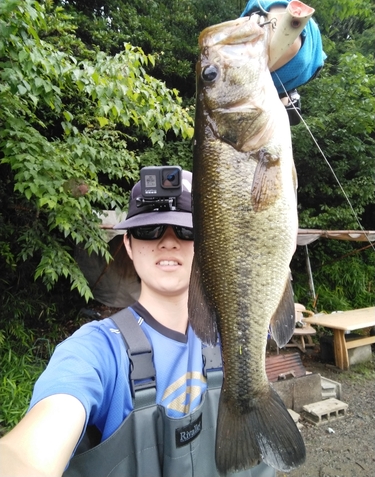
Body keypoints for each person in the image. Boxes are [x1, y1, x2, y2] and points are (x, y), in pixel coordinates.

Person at [0, 168, 275, 477]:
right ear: (128, 245)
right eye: (150, 229)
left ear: (207, 243)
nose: (168, 242)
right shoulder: (95, 350)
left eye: (186, 231)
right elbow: (31, 451)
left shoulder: (237, 330)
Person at [241, 0, 327, 125]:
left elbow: (270, 2)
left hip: (305, 56)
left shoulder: (260, 2)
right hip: (305, 68)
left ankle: (285, 99)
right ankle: (285, 99)